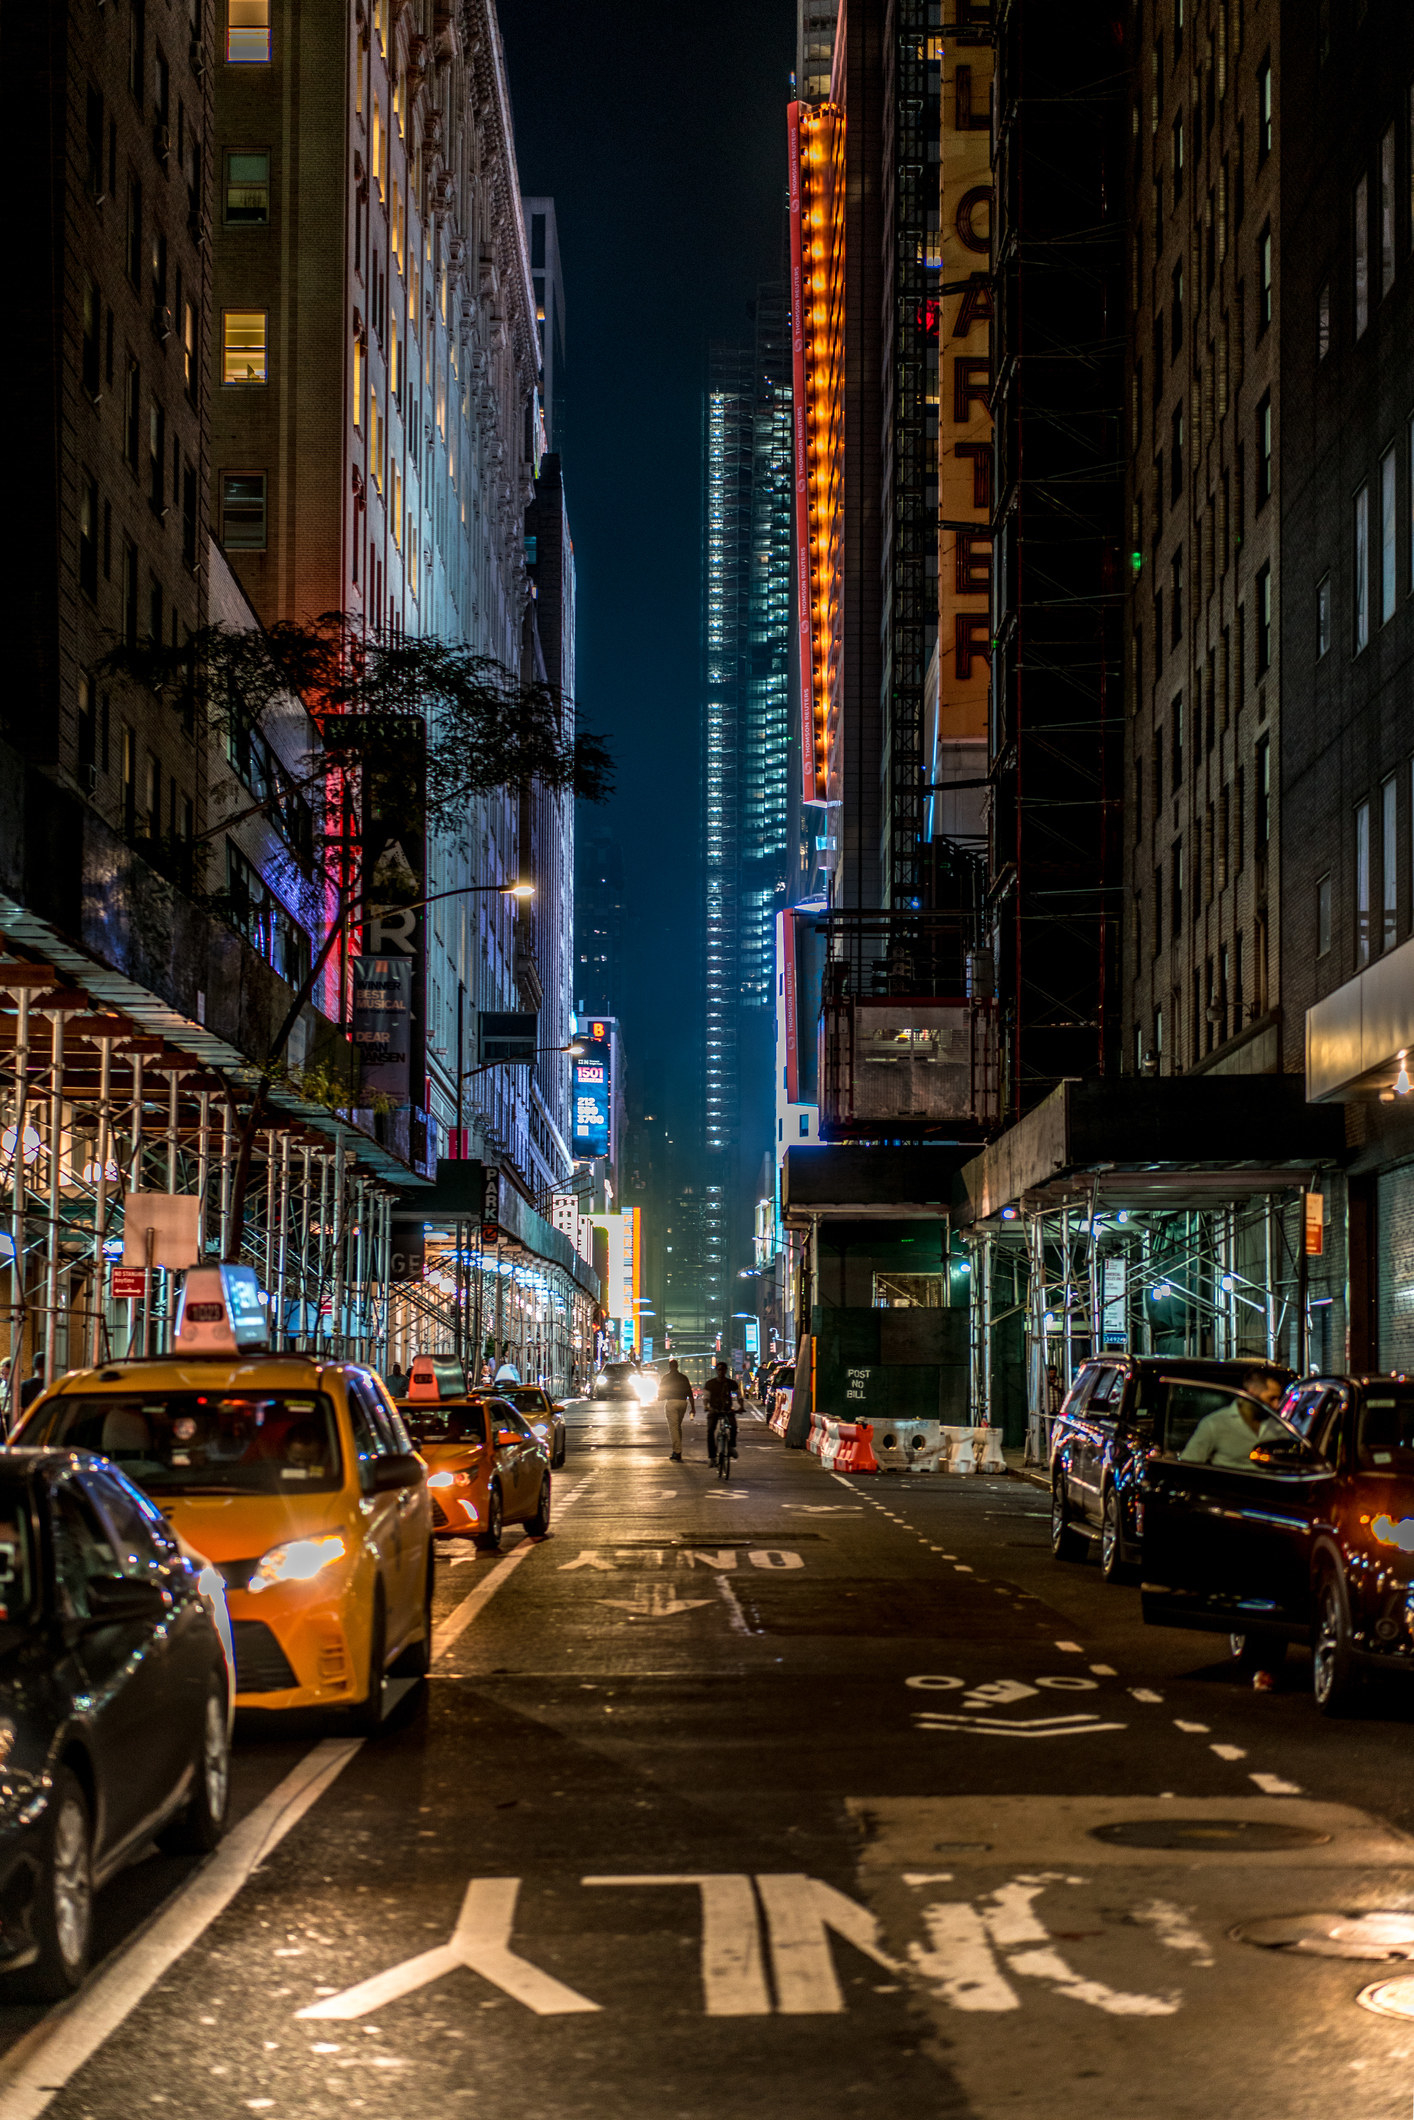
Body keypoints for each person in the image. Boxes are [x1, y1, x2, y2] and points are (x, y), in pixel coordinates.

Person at [1181, 1367, 1287, 1470]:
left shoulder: (1279, 1427)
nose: (1276, 1405)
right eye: (1272, 1398)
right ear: (1251, 1393)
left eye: (1278, 1398)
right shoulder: (1215, 1424)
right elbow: (1189, 1466)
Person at [705, 1361, 742, 1463]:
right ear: (717, 1371)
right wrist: (706, 1406)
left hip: (727, 1410)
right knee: (710, 1430)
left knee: (734, 1427)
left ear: (726, 1370)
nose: (721, 1372)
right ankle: (712, 1456)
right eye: (719, 1369)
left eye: (723, 1369)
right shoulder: (710, 1383)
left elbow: (739, 1395)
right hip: (714, 1409)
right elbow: (706, 1397)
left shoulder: (731, 1383)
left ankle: (731, 1447)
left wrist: (741, 1406)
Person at [659, 1359, 694, 1462]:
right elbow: (690, 1394)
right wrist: (693, 1408)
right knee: (678, 1426)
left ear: (670, 1366)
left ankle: (677, 1452)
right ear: (677, 1366)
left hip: (672, 1403)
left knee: (674, 1427)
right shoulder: (684, 1377)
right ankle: (677, 1449)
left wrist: (660, 1397)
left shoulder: (666, 1377)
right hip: (683, 1403)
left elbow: (662, 1391)